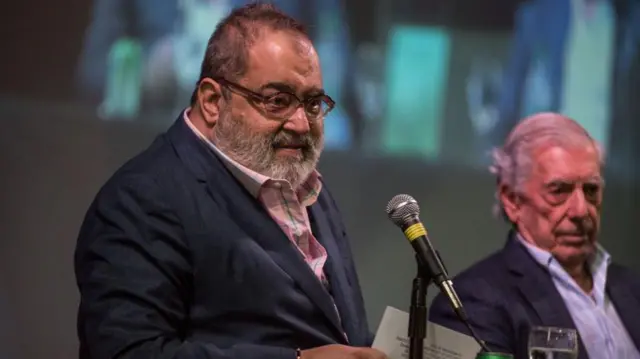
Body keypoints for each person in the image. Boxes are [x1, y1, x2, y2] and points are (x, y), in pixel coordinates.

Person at [74, 4, 386, 359]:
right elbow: (127, 352)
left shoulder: (306, 186)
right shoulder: (141, 200)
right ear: (211, 101)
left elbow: (329, 329)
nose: (301, 123)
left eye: (313, 104)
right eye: (277, 101)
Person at [429, 112, 640, 359]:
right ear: (512, 200)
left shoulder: (632, 287)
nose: (581, 210)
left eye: (591, 189)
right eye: (559, 191)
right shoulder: (470, 303)